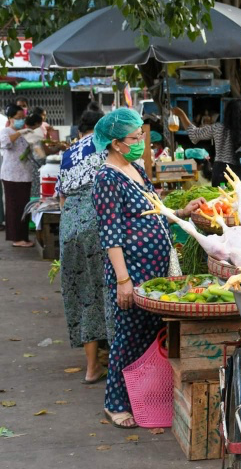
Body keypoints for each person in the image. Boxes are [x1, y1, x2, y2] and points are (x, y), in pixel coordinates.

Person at [92, 108, 205, 428]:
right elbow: (110, 234)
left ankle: (144, 394)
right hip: (132, 270)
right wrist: (123, 280)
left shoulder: (135, 169)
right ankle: (115, 403)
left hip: (154, 269)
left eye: (140, 135)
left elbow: (154, 209)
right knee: (128, 335)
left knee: (149, 334)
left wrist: (182, 210)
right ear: (115, 143)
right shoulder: (107, 178)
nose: (141, 141)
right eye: (134, 138)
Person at [56, 109, 110, 384]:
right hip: (98, 225)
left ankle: (91, 368)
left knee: (84, 295)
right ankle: (116, 358)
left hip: (69, 229)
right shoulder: (107, 145)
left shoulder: (68, 154)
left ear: (80, 130)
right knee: (109, 288)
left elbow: (62, 199)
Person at [172, 99, 241, 186]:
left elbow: (194, 134)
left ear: (227, 113)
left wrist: (181, 114)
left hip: (221, 172)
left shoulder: (218, 128)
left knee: (220, 199)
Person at [0, 104, 35, 247]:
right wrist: (20, 132)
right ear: (10, 118)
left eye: (23, 117)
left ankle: (23, 237)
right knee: (14, 207)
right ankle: (17, 238)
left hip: (25, 174)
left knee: (24, 206)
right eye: (18, 118)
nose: (21, 120)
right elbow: (5, 143)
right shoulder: (5, 131)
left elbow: (33, 149)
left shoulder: (24, 133)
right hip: (12, 176)